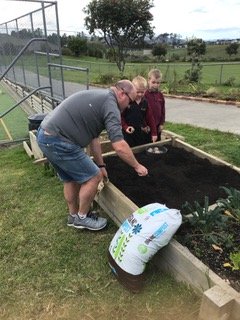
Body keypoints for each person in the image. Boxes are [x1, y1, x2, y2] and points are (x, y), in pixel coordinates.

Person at [37, 80, 148, 231]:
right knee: (93, 177)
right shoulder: (111, 106)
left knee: (70, 178)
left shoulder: (101, 98)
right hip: (59, 141)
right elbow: (119, 146)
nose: (129, 106)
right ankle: (83, 218)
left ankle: (73, 216)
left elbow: (93, 139)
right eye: (130, 101)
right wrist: (137, 166)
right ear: (122, 93)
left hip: (46, 136)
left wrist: (101, 165)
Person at [121, 76, 157, 147]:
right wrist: (125, 127)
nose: (140, 94)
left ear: (145, 90)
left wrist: (154, 133)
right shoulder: (127, 101)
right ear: (132, 89)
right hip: (128, 132)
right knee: (129, 149)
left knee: (140, 149)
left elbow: (150, 117)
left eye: (142, 92)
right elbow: (120, 116)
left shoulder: (145, 102)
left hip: (140, 131)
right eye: (138, 92)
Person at [144, 69, 165, 141]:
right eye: (153, 82)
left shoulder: (160, 95)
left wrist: (161, 123)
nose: (156, 85)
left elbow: (163, 110)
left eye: (158, 83)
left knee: (157, 144)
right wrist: (144, 125)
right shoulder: (145, 95)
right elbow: (142, 112)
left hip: (158, 125)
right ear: (148, 81)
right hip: (147, 127)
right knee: (147, 144)